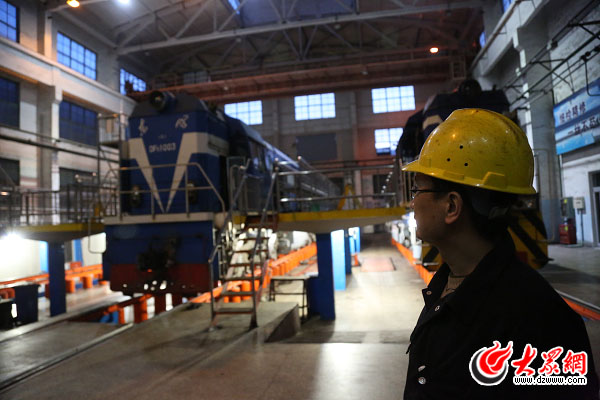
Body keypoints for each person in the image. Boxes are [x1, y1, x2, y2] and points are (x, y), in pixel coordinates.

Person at [402, 108, 599, 399]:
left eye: (418, 190)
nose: (412, 203)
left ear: (451, 206)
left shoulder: (542, 320)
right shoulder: (446, 286)